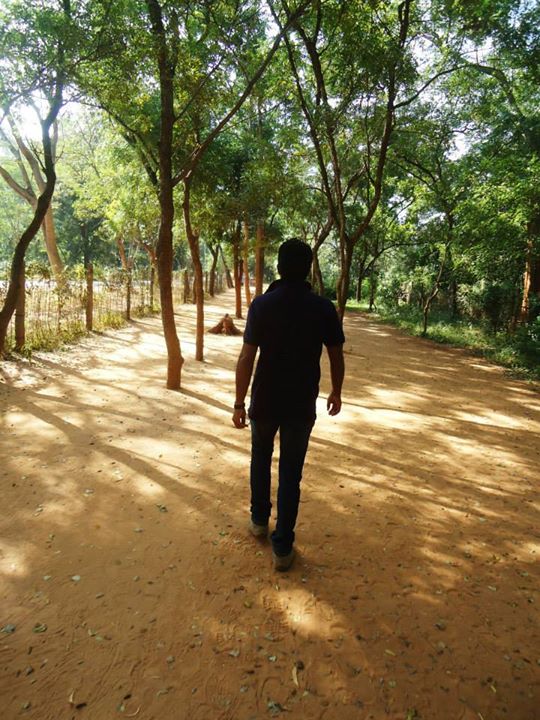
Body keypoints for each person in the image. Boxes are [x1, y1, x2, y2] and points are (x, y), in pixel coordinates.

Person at [232, 239, 345, 571]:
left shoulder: (262, 305)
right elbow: (336, 355)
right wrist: (336, 391)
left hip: (265, 399)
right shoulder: (323, 308)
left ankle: (258, 521)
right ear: (308, 268)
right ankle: (282, 548)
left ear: (279, 267)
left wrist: (239, 403)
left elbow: (246, 357)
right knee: (291, 472)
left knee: (260, 457)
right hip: (300, 402)